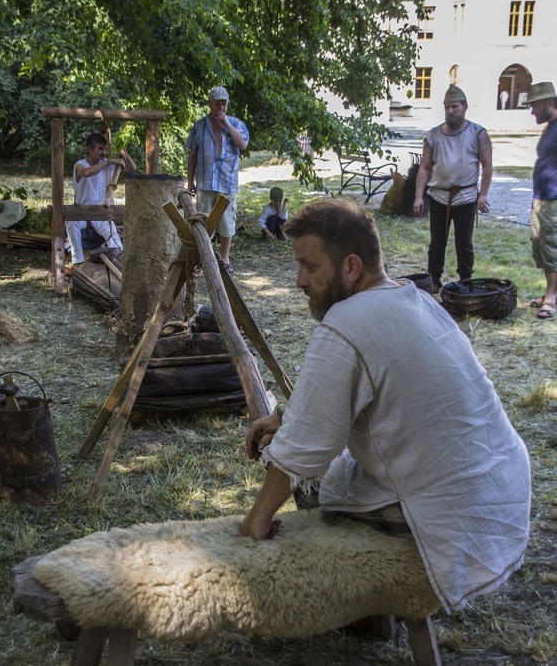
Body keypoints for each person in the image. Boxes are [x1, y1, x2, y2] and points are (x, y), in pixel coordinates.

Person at [240, 199, 530, 614]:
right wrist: (284, 419)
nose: (300, 281)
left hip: (458, 514)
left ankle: (356, 610)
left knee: (313, 486)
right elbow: (382, 386)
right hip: (505, 490)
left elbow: (304, 449)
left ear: (351, 267)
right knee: (332, 467)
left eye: (310, 267)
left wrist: (255, 523)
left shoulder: (344, 323)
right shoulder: (419, 301)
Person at [413, 84, 493, 293]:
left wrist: (482, 194)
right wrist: (418, 197)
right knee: (436, 242)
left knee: (464, 242)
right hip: (439, 195)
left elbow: (487, 166)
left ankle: (465, 279)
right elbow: (425, 167)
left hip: (466, 196)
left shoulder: (478, 133)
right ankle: (434, 278)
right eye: (447, 107)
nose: (450, 111)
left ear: (465, 107)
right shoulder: (433, 136)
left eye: (454, 107)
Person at [186, 86, 249, 270]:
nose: (221, 108)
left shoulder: (236, 124)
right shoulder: (199, 126)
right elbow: (193, 155)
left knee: (227, 222)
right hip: (205, 182)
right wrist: (190, 181)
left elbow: (243, 145)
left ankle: (225, 259)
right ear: (210, 103)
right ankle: (203, 257)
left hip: (227, 183)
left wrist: (227, 125)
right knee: (202, 222)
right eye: (218, 104)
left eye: (224, 104)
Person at [65, 133, 136, 266]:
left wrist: (125, 156)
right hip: (82, 213)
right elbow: (86, 173)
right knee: (71, 222)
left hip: (102, 214)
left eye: (105, 149)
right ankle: (78, 262)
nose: (103, 153)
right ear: (89, 149)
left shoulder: (107, 164)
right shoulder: (80, 165)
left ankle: (119, 266)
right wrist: (111, 161)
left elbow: (132, 168)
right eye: (100, 149)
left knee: (116, 245)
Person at [525, 81, 557, 319]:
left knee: (552, 249)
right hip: (541, 197)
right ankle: (550, 292)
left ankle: (551, 298)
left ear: (549, 103)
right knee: (541, 247)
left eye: (534, 105)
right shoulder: (549, 127)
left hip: (553, 200)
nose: (531, 110)